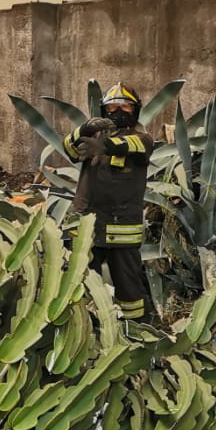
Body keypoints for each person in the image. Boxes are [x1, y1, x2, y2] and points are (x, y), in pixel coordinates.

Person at [64, 83, 156, 322]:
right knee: (82, 283)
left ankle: (136, 333)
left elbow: (130, 146)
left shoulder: (142, 138)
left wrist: (103, 146)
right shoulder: (95, 133)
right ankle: (86, 330)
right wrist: (82, 130)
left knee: (128, 288)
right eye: (112, 107)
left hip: (121, 228)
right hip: (88, 226)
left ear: (135, 109)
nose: (118, 111)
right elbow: (70, 150)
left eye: (124, 106)